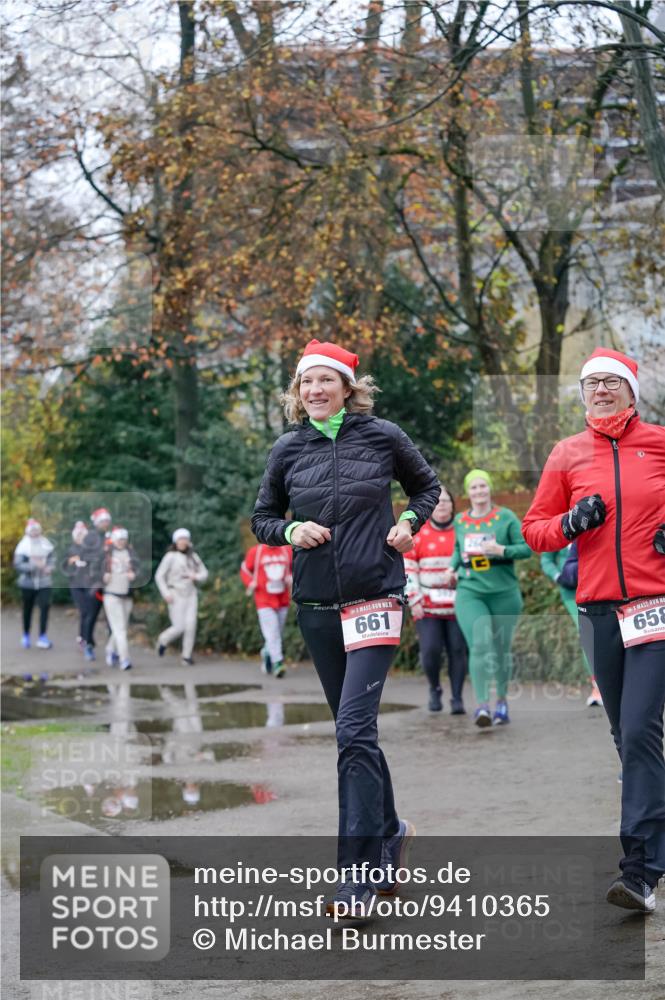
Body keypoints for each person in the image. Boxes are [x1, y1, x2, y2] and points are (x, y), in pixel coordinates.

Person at [251, 338, 440, 918]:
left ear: (347, 387)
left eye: (326, 381)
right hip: (316, 608)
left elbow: (426, 488)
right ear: (298, 392)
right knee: (354, 733)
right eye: (306, 383)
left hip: (376, 597)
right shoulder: (287, 449)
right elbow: (262, 518)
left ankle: (354, 879)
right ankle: (389, 831)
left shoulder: (382, 436)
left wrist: (408, 522)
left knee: (353, 731)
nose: (315, 391)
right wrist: (290, 533)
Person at [523, 347, 665, 914]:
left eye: (611, 382)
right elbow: (536, 531)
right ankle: (654, 828)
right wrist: (570, 523)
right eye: (591, 384)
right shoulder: (567, 453)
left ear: (632, 390)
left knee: (637, 734)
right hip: (598, 611)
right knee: (626, 740)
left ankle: (640, 873)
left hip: (656, 606)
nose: (601, 391)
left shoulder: (659, 441)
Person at [441, 470, 532, 728]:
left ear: (489, 489)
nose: (479, 492)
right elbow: (458, 549)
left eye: (483, 486)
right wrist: (451, 568)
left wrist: (502, 550)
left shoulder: (506, 517)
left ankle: (501, 701)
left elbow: (526, 548)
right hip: (471, 591)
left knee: (501, 650)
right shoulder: (460, 520)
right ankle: (482, 706)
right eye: (474, 488)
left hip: (504, 593)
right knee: (480, 644)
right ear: (467, 493)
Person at [405, 486, 468, 713]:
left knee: (458, 651)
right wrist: (414, 600)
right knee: (430, 651)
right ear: (431, 506)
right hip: (428, 606)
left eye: (446, 501)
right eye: (438, 501)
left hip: (459, 604)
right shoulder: (418, 534)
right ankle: (434, 688)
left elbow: (471, 562)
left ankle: (457, 698)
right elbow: (408, 569)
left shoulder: (462, 531)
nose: (442, 505)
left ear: (453, 505)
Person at [540, 542, 602, 707]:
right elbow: (546, 560)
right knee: (587, 634)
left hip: (598, 585)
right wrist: (557, 576)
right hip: (571, 590)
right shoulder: (559, 522)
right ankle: (597, 687)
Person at [155, 528, 209, 666]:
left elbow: (204, 573)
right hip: (175, 594)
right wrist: (166, 593)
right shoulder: (170, 557)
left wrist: (195, 576)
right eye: (180, 539)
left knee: (191, 625)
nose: (183, 542)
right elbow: (159, 576)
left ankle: (186, 656)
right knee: (179, 627)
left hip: (191, 594)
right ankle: (163, 640)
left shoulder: (193, 556)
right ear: (176, 541)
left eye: (185, 539)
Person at [240, 542, 292, 677]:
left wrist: (290, 578)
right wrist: (250, 582)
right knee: (273, 632)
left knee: (276, 633)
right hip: (263, 600)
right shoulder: (256, 552)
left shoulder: (286, 550)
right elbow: (245, 569)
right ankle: (278, 663)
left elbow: (294, 568)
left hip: (283, 599)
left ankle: (267, 652)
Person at [102, 526, 140, 671]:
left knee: (122, 627)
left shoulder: (131, 553)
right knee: (120, 630)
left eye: (123, 539)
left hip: (127, 595)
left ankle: (110, 649)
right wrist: (103, 577)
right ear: (113, 540)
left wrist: (134, 575)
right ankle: (124, 659)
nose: (121, 542)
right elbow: (94, 572)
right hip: (111, 595)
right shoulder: (106, 555)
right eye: (118, 539)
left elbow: (139, 570)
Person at [13, 518, 55, 649]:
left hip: (44, 583)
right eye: (33, 530)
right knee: (28, 609)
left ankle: (42, 636)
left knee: (44, 608)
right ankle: (26, 634)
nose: (35, 533)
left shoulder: (46, 544)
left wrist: (49, 567)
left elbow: (52, 559)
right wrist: (34, 565)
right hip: (27, 584)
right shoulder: (23, 546)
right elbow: (18, 564)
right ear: (28, 532)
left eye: (37, 530)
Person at [80, 507, 113, 661]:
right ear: (97, 523)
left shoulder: (112, 536)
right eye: (103, 521)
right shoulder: (90, 538)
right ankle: (88, 645)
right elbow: (87, 559)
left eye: (107, 520)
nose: (105, 523)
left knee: (112, 618)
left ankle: (113, 648)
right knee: (91, 615)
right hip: (94, 584)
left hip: (111, 585)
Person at [61, 520, 90, 650]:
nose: (81, 537)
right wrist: (71, 562)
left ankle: (84, 636)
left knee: (88, 612)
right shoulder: (70, 549)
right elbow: (64, 569)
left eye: (83, 535)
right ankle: (82, 637)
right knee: (84, 611)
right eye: (78, 535)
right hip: (76, 585)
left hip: (89, 585)